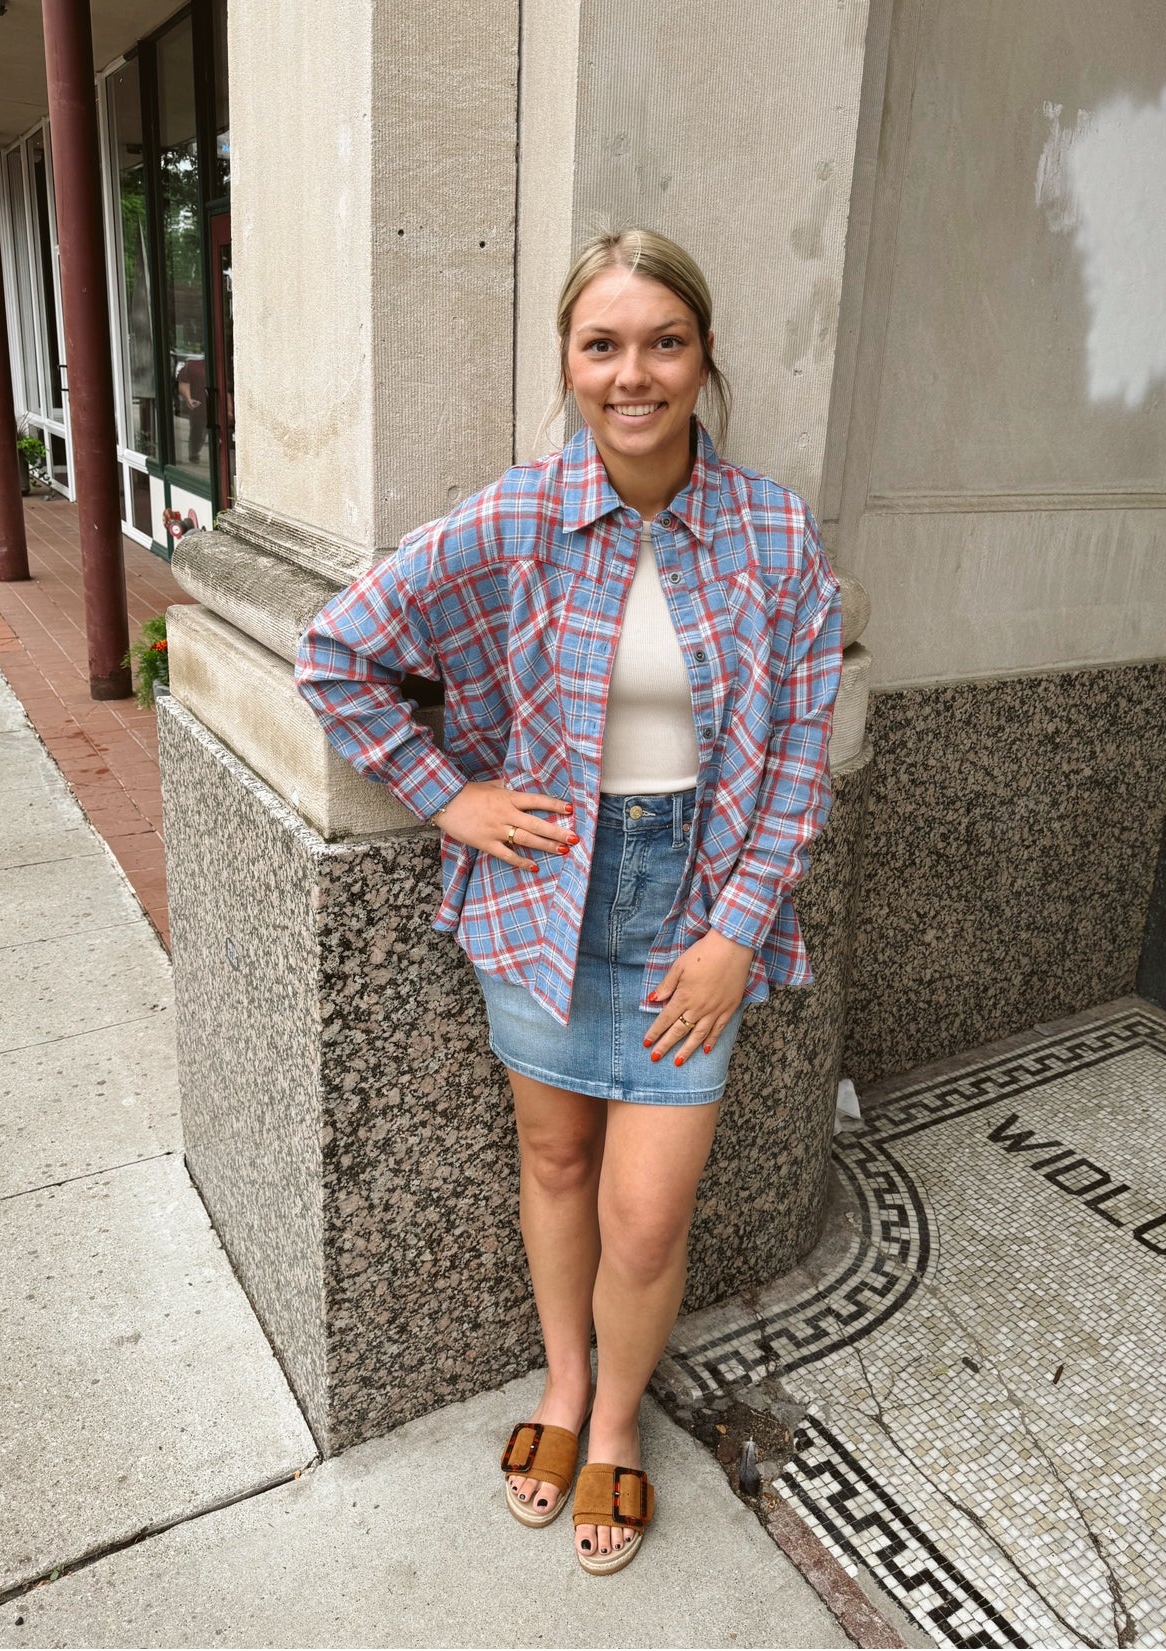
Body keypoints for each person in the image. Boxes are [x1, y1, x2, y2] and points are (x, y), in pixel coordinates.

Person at [295, 227, 842, 1574]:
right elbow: (337, 653)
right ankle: (561, 1384)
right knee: (555, 1164)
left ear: (704, 360)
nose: (632, 373)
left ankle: (614, 1418)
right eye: (602, 345)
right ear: (569, 362)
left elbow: (801, 759)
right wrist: (449, 797)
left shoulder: (774, 533)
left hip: (693, 912)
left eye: (663, 341)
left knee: (647, 1215)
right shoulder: (523, 515)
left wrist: (735, 937)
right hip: (545, 900)